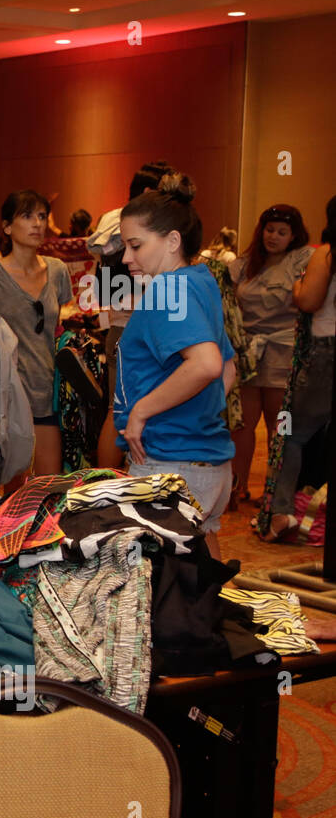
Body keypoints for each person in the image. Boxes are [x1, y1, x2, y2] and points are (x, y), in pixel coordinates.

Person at [112, 175, 235, 559]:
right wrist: (194, 412)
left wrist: (142, 412)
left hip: (169, 463)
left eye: (135, 245)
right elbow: (228, 367)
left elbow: (207, 364)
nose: (126, 258)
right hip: (207, 461)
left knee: (162, 589)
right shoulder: (200, 280)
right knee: (203, 573)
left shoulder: (168, 290)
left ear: (172, 241)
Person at [0, 189, 73, 475]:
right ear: (6, 227)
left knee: (47, 488)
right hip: (4, 395)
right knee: (10, 492)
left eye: (42, 216)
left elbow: (59, 328)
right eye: (27, 216)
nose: (38, 224)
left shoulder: (57, 270)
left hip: (46, 391)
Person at [87, 159, 176, 470]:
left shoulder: (113, 223)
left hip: (127, 327)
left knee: (122, 410)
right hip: (132, 330)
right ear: (151, 192)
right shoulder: (129, 227)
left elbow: (103, 287)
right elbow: (111, 286)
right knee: (120, 411)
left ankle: (114, 484)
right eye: (167, 192)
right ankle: (108, 486)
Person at [259, 195, 335, 541]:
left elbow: (309, 300)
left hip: (324, 352)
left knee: (291, 432)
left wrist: (298, 285)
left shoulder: (326, 252)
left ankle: (283, 512)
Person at [228, 204, 312, 507]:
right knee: (242, 424)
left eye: (281, 232)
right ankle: (236, 488)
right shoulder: (246, 262)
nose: (273, 236)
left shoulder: (302, 259)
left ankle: (276, 492)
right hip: (249, 353)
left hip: (283, 351)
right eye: (269, 229)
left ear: (293, 235)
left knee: (281, 426)